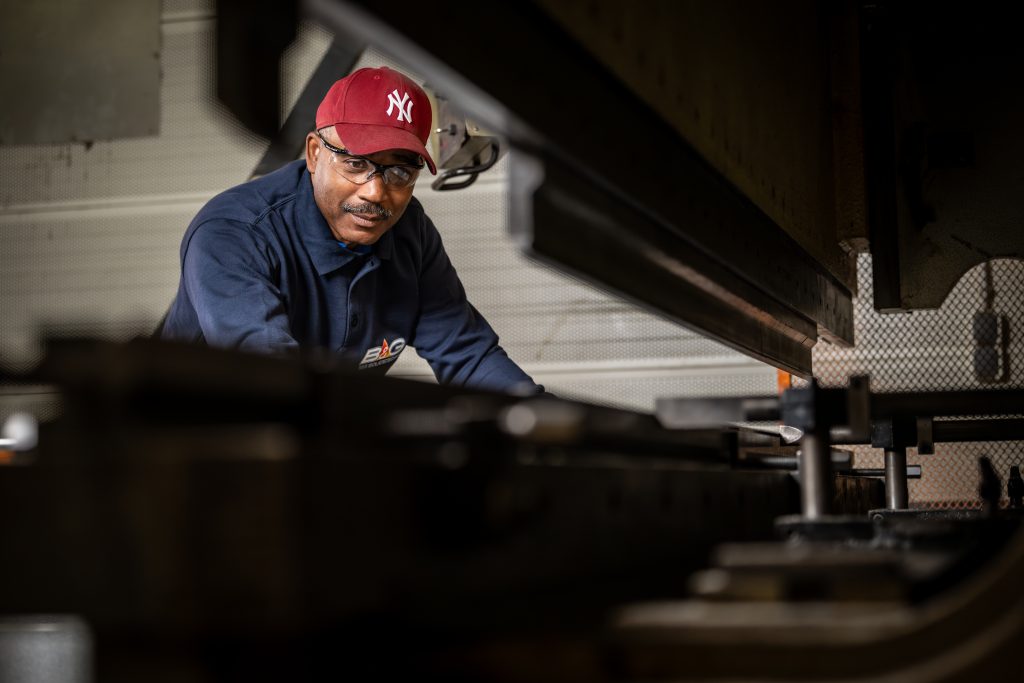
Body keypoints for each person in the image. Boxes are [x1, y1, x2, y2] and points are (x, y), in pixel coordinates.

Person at [159, 66, 539, 394]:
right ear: (314, 153)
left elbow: (469, 358)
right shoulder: (235, 233)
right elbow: (268, 376)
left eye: (400, 172)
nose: (376, 192)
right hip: (189, 443)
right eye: (356, 164)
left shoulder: (410, 234)